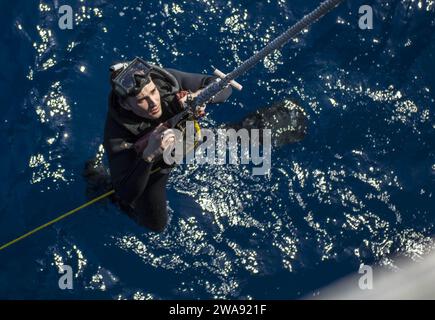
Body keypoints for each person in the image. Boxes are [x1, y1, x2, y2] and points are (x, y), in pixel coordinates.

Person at [102, 57, 232, 232]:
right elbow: (126, 193)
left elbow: (223, 86)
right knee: (156, 225)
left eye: (152, 92)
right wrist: (148, 156)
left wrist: (197, 97)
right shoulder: (117, 135)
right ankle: (99, 183)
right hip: (155, 167)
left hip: (186, 139)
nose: (153, 102)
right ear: (126, 105)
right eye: (142, 100)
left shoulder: (167, 82)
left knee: (236, 134)